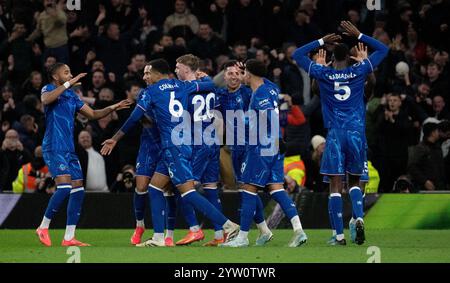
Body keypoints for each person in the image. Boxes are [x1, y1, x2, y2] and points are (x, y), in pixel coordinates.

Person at [101, 59, 240, 247]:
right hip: (185, 143)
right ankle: (159, 237)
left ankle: (228, 225)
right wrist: (208, 77)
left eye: (148, 73)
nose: (145, 77)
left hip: (174, 147)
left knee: (188, 192)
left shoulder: (151, 92)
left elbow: (135, 117)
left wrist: (115, 138)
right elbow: (212, 84)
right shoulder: (182, 85)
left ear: (158, 74)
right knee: (155, 188)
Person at [293, 21, 389, 245]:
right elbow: (384, 49)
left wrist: (321, 41)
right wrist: (360, 35)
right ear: (349, 57)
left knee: (335, 185)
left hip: (335, 134)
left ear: (331, 58)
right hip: (356, 132)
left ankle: (338, 236)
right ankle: (358, 219)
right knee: (355, 181)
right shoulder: (360, 69)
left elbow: (298, 54)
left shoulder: (323, 73)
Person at [35, 62, 131, 247]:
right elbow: (46, 100)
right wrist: (68, 84)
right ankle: (43, 227)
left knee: (78, 188)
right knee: (63, 187)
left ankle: (69, 237)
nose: (70, 75)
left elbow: (93, 114)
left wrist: (113, 107)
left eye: (70, 72)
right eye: (66, 72)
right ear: (56, 77)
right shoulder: (49, 89)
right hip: (54, 146)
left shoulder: (71, 96)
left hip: (69, 149)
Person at [221, 59, 307, 248]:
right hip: (274, 148)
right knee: (276, 188)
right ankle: (299, 230)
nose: (240, 76)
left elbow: (268, 115)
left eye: (242, 73)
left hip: (262, 146)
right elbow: (263, 81)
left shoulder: (259, 94)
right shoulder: (271, 88)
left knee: (248, 189)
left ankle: (242, 237)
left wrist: (276, 138)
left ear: (248, 74)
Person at [407, 122, 446, 191]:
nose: (438, 133)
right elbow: (411, 167)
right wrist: (424, 181)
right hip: (426, 188)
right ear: (432, 133)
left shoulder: (437, 147)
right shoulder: (420, 148)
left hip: (440, 187)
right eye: (437, 131)